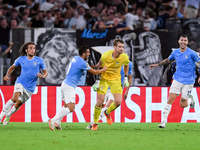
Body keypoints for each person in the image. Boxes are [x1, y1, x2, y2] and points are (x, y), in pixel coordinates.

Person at [48, 45, 107, 131]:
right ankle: (52, 120)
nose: (89, 54)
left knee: (65, 106)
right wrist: (103, 69)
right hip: (69, 86)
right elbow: (93, 72)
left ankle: (58, 122)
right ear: (84, 54)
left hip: (65, 84)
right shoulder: (82, 63)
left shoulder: (76, 58)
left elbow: (88, 66)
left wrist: (96, 65)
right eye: (88, 52)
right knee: (71, 108)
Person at [150, 34, 200, 128]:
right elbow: (168, 60)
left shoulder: (192, 53)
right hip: (177, 79)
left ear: (187, 42)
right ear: (179, 41)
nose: (183, 42)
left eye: (185, 40)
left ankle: (190, 100)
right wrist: (158, 64)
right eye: (182, 40)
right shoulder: (176, 52)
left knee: (182, 104)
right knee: (170, 98)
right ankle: (163, 122)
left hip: (188, 81)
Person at [0, 42, 48, 125]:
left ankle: (8, 115)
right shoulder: (21, 59)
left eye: (34, 48)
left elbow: (45, 73)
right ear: (26, 50)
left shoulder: (39, 60)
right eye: (30, 48)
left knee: (18, 104)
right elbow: (12, 67)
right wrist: (7, 75)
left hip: (30, 88)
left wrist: (43, 76)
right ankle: (1, 117)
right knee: (14, 98)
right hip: (20, 82)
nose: (33, 50)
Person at [91, 39, 130, 130]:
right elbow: (100, 66)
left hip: (116, 80)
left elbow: (126, 65)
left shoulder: (124, 57)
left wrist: (125, 78)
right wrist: (97, 81)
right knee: (100, 102)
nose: (122, 49)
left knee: (118, 102)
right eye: (120, 47)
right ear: (114, 47)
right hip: (104, 79)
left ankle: (107, 112)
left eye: (123, 47)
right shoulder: (105, 56)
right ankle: (95, 123)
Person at [86, 61, 133, 129]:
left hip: (116, 88)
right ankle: (95, 121)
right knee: (100, 106)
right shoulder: (110, 59)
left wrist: (127, 91)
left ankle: (92, 124)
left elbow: (130, 77)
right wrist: (97, 81)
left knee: (109, 105)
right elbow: (101, 70)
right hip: (105, 86)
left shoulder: (128, 64)